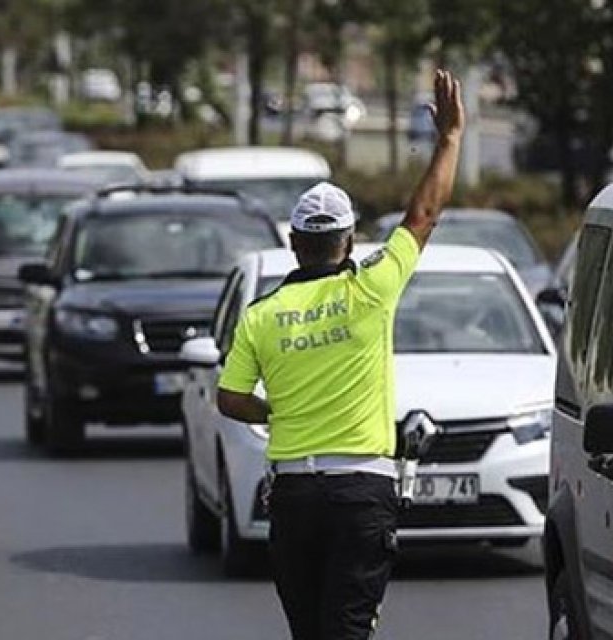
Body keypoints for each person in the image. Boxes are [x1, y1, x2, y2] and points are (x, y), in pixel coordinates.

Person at [216, 69, 465, 640]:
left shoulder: (262, 315)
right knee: (347, 630)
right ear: (350, 241)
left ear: (293, 243)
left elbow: (230, 399)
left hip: (295, 497)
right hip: (361, 493)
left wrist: (276, 412)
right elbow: (424, 213)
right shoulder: (373, 287)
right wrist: (448, 139)